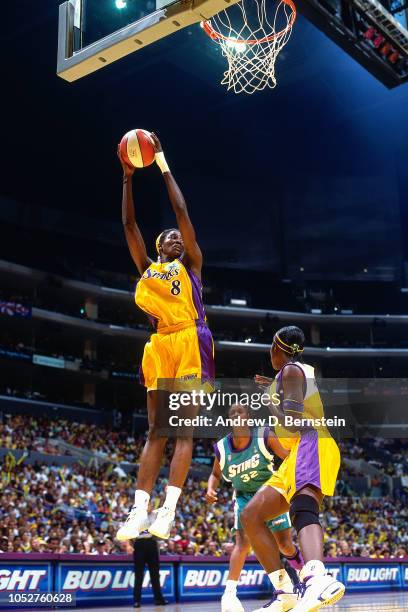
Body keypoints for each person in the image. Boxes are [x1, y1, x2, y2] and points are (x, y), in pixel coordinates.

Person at [117, 133, 214, 542]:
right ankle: (138, 510)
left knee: (183, 433)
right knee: (156, 431)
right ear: (159, 248)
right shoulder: (147, 268)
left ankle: (168, 511)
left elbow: (181, 208)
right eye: (169, 237)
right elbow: (128, 224)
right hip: (159, 344)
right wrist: (127, 177)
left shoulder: (191, 263)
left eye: (179, 236)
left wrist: (161, 163)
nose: (177, 237)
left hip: (192, 339)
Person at [240, 326, 345, 611]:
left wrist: (268, 403)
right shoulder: (289, 374)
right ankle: (286, 592)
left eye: (270, 347)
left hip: (311, 439)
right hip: (296, 452)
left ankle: (316, 577)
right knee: (251, 516)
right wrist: (270, 392)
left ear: (276, 349)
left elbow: (294, 422)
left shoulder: (291, 372)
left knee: (302, 506)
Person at [206, 403, 303, 612]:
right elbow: (215, 474)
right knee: (242, 543)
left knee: (285, 545)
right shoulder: (222, 447)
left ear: (248, 417)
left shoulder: (264, 435)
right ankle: (229, 596)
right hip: (243, 498)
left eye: (240, 411)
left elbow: (287, 457)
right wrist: (211, 488)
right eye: (231, 413)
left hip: (269, 493)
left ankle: (303, 575)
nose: (236, 415)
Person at [132, 524, 167, 608]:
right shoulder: (135, 513)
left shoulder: (154, 514)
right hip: (139, 542)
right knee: (139, 574)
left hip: (151, 542)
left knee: (155, 574)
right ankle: (137, 601)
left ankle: (158, 599)